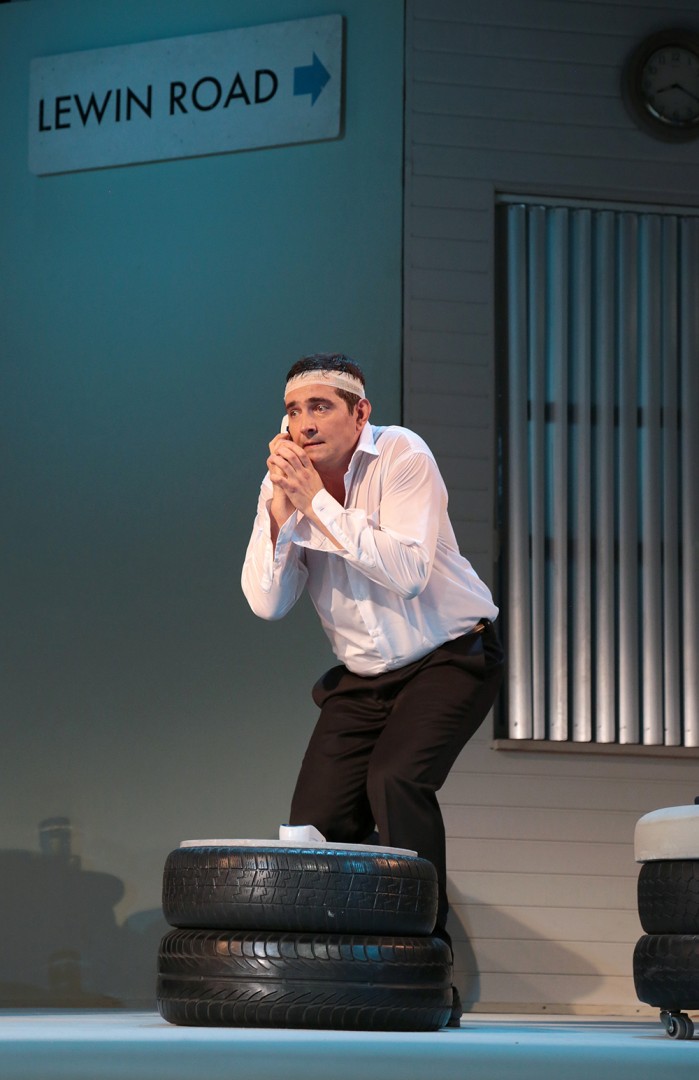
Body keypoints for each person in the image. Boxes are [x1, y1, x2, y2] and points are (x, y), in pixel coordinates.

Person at [241, 353, 504, 1026]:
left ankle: (426, 972)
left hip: (450, 654)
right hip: (363, 679)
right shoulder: (285, 484)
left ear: (360, 413)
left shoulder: (402, 456)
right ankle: (334, 977)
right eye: (293, 410)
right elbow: (267, 603)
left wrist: (317, 504)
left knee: (396, 780)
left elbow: (408, 573)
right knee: (311, 827)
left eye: (320, 407)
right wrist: (280, 512)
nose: (304, 424)